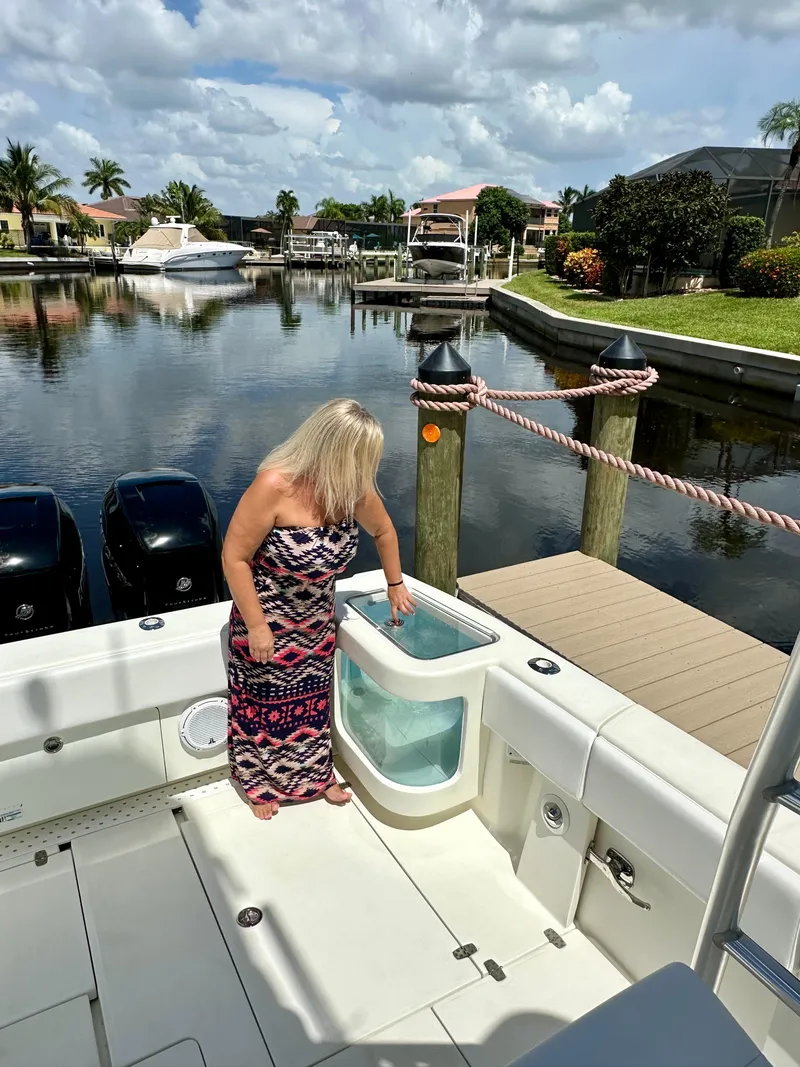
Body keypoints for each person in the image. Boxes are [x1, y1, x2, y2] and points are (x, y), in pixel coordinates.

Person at [222, 398, 416, 820]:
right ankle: (259, 784)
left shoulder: (351, 490)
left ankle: (316, 776)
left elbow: (384, 530)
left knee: (312, 707)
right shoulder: (274, 485)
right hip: (266, 624)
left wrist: (395, 583)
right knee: (265, 708)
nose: (366, 470)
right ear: (333, 449)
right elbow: (234, 558)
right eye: (360, 458)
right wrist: (256, 625)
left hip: (317, 627)